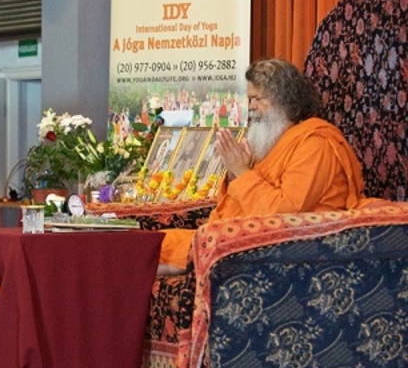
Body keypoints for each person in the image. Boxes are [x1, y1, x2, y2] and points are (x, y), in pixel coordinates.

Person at [158, 58, 374, 274]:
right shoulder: (271, 142)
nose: (250, 107)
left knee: (163, 252)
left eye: (257, 99)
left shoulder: (315, 144)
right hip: (243, 237)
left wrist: (242, 173)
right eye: (249, 99)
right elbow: (236, 207)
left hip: (287, 247)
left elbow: (284, 214)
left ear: (284, 99)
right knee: (151, 243)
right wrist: (237, 173)